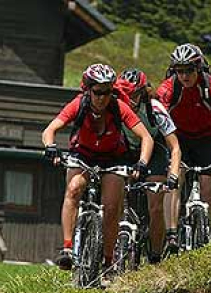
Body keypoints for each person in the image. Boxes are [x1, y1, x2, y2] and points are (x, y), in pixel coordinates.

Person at [42, 63, 154, 271]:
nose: (102, 97)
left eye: (107, 92)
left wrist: (142, 162)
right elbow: (50, 129)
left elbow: (146, 138)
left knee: (112, 206)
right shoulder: (79, 104)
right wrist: (51, 147)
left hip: (113, 158)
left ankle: (108, 259)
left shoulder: (119, 106)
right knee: (74, 189)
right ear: (88, 89)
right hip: (83, 155)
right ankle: (67, 248)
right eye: (97, 92)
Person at [156, 43, 211, 248]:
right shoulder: (168, 88)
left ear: (198, 68)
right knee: (175, 181)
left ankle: (207, 234)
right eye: (180, 71)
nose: (184, 76)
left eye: (189, 70)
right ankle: (171, 235)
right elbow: (158, 119)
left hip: (206, 138)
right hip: (179, 139)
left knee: (207, 187)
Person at [114, 69, 181, 262]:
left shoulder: (155, 109)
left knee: (155, 206)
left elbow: (175, 147)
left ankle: (155, 255)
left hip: (155, 151)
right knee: (114, 199)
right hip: (126, 149)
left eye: (133, 95)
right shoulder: (116, 107)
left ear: (143, 92)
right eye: (124, 94)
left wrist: (174, 176)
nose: (129, 99)